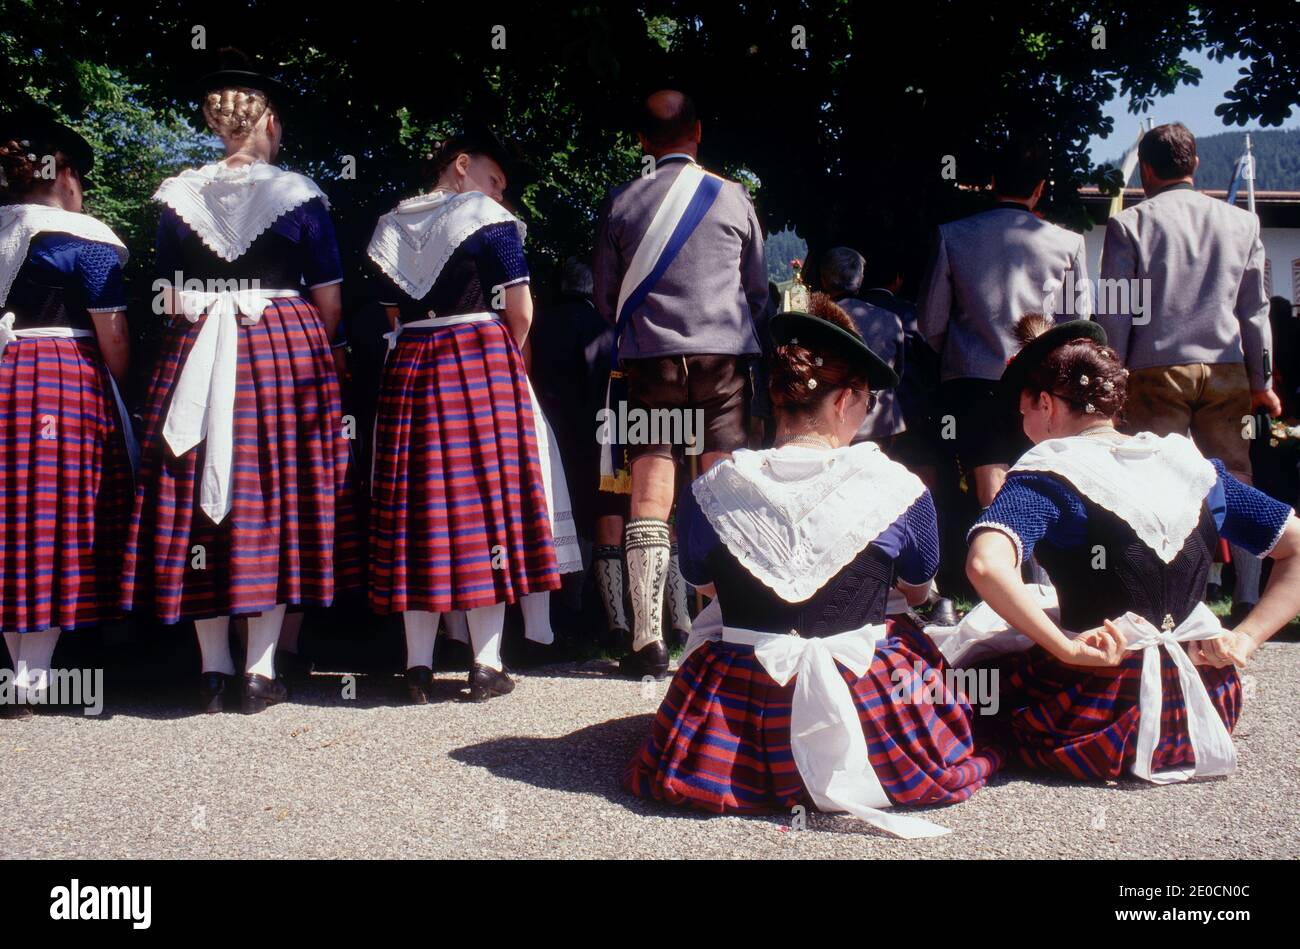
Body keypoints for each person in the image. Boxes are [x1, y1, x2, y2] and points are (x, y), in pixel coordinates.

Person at [624, 294, 1001, 836]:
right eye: (867, 401)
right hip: (872, 697)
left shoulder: (711, 489)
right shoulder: (899, 489)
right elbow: (918, 591)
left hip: (739, 702)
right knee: (912, 642)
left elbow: (704, 585)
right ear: (847, 399)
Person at [120, 53, 359, 714]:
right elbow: (331, 299)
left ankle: (212, 670)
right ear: (270, 124)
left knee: (194, 494)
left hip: (193, 347)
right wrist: (326, 347)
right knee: (277, 494)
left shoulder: (178, 196)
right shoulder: (300, 194)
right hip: (282, 349)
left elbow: (164, 292)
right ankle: (260, 670)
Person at [963, 314, 1300, 781]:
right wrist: (1246, 637)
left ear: (1045, 403)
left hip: (1097, 713)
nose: (1023, 427)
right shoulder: (1190, 465)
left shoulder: (1047, 474)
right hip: (1201, 707)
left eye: (1023, 413)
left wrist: (1066, 648)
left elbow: (984, 563)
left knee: (963, 689)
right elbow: (1297, 547)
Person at [367, 126, 579, 704]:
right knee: (486, 504)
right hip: (479, 357)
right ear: (461, 165)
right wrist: (497, 352)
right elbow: (521, 308)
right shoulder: (490, 221)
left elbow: (390, 312)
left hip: (411, 359)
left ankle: (416, 666)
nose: (498, 193)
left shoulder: (391, 225)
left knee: (417, 506)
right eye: (493, 179)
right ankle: (486, 665)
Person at [593, 89, 768, 678]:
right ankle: (725, 627)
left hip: (652, 363)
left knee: (649, 496)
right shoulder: (735, 197)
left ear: (642, 141)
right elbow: (758, 290)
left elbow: (604, 298)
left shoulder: (621, 201)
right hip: (722, 361)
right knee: (720, 492)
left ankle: (646, 642)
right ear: (698, 132)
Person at [1097, 123, 1282, 627]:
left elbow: (1115, 312)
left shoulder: (1129, 225)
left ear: (1149, 170)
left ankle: (1169, 594)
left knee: (1155, 479)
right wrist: (1262, 381)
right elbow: (1255, 311)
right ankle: (1246, 594)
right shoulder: (1243, 224)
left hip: (1155, 368)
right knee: (1236, 476)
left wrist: (1112, 380)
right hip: (1226, 369)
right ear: (1196, 164)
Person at [0, 105, 133, 717]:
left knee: (10, 512)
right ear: (66, 176)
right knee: (53, 510)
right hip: (61, 378)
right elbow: (113, 336)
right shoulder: (85, 238)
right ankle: (33, 675)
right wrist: (125, 388)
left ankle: (16, 672)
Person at [917, 134, 1090, 509]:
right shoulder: (1068, 243)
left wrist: (959, 353)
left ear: (993, 181)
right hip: (1040, 380)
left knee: (989, 489)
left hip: (973, 382)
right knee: (1044, 481)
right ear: (1041, 188)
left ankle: (998, 558)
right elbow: (1077, 324)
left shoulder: (953, 236)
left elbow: (930, 322)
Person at [819, 246, 905, 446]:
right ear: (860, 280)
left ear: (823, 280)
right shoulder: (890, 319)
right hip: (880, 423)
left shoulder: (818, 320)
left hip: (829, 423)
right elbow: (896, 375)